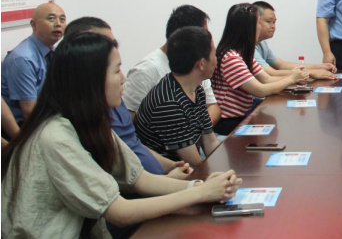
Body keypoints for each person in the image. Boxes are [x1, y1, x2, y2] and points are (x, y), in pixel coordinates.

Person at [1, 32, 241, 239]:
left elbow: (140, 180)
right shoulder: (55, 136)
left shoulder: (92, 122)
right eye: (117, 70)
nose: (123, 78)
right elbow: (120, 212)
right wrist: (199, 193)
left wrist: (202, 186)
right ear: (90, 80)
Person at [63, 16, 192, 179]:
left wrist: (171, 165)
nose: (123, 78)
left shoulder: (114, 99)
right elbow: (125, 183)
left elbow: (135, 144)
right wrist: (171, 181)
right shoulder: (78, 123)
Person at [212, 3, 307, 136]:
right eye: (258, 23)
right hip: (230, 122)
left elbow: (267, 79)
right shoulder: (230, 58)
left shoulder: (243, 52)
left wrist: (295, 78)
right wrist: (291, 78)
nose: (261, 26)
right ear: (247, 28)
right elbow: (261, 90)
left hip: (243, 114)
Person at [136, 26, 221, 167]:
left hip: (188, 166)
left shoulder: (197, 90)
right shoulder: (169, 104)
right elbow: (194, 164)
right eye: (214, 54)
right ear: (201, 64)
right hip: (171, 173)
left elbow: (210, 142)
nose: (216, 59)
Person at [123, 5, 221, 126]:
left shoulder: (197, 65)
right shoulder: (145, 70)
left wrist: (197, 130)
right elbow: (128, 120)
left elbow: (212, 106)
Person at [1, 2, 67, 123]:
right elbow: (29, 112)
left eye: (62, 19)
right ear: (33, 24)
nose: (58, 24)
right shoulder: (23, 58)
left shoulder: (54, 52)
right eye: (51, 19)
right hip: (25, 125)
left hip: (47, 116)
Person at [254, 1, 337, 80]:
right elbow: (271, 73)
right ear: (254, 22)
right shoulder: (249, 47)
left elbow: (283, 65)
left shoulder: (262, 43)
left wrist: (322, 67)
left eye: (274, 22)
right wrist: (310, 73)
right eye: (269, 21)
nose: (273, 26)